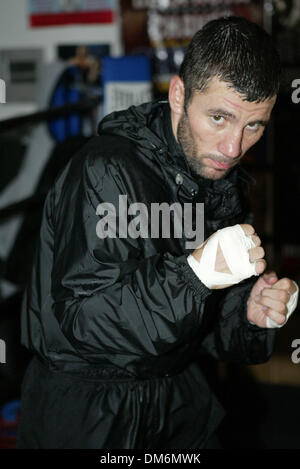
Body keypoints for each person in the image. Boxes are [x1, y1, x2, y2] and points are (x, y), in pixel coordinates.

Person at [16, 16, 298, 449]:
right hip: (89, 410)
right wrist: (195, 275)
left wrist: (247, 313)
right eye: (219, 118)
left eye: (254, 125)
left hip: (175, 397)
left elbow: (205, 324)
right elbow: (86, 321)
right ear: (179, 95)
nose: (234, 147)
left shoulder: (219, 177)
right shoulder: (107, 172)